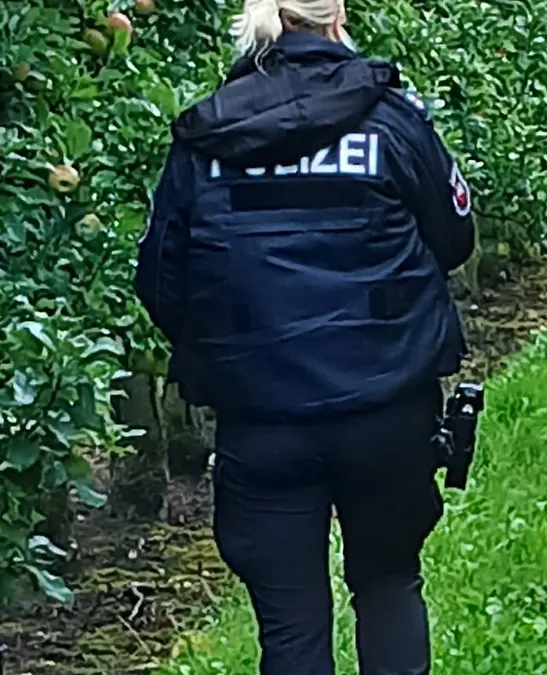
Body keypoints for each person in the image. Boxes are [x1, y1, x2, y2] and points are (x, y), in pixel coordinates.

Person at [132, 0, 476, 672]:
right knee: (387, 583)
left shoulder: (208, 137)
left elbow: (162, 280)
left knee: (289, 624)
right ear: (337, 14)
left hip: (262, 423)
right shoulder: (395, 122)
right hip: (387, 408)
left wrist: (241, 349)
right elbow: (454, 237)